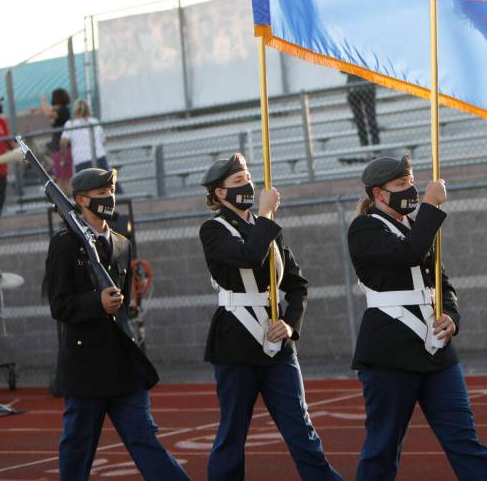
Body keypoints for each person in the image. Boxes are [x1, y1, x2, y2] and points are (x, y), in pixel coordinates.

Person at [348, 155, 487, 481]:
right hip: (390, 352)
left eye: (411, 181)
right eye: (400, 185)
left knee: (464, 440)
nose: (409, 188)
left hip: (436, 350)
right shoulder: (364, 228)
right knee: (383, 448)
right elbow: (406, 253)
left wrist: (451, 316)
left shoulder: (415, 226)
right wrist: (431, 207)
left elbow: (443, 283)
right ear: (379, 194)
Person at [199, 154, 342, 481]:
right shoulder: (213, 230)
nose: (247, 185)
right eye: (237, 182)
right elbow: (247, 257)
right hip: (235, 344)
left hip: (278, 346)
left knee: (302, 431)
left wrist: (290, 324)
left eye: (247, 177)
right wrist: (265, 214)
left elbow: (296, 285)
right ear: (220, 194)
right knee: (232, 435)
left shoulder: (269, 229)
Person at [42, 167, 191, 481]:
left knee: (146, 441)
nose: (109, 198)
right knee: (78, 448)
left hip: (122, 363)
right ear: (81, 200)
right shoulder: (65, 245)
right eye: (100, 194)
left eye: (110, 192)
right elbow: (59, 304)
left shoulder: (121, 243)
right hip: (85, 366)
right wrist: (96, 302)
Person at [37, 89, 73, 194]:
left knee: (65, 179)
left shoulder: (63, 110)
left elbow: (49, 114)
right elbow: (49, 112)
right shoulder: (59, 110)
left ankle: (73, 204)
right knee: (60, 179)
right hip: (57, 148)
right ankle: (64, 205)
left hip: (64, 149)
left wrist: (43, 101)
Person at [61, 99, 108, 173]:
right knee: (106, 182)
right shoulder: (94, 121)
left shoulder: (70, 124)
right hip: (99, 156)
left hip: (81, 159)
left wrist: (64, 158)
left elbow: (63, 142)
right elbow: (103, 140)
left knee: (85, 183)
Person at [346, 73, 379, 147]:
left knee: (370, 119)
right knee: (359, 120)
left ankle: (376, 147)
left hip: (366, 87)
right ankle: (365, 147)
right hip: (354, 89)